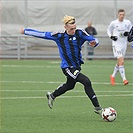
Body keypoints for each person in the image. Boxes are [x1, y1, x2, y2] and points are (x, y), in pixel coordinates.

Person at [21, 15, 102, 115]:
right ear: (65, 27)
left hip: (77, 66)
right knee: (86, 81)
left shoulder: (79, 33)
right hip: (67, 67)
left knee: (70, 85)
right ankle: (98, 107)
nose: (73, 30)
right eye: (71, 29)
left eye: (75, 28)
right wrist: (25, 31)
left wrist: (94, 42)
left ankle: (52, 95)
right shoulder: (59, 35)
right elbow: (42, 34)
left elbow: (93, 39)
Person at [107, 9, 132, 85]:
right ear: (118, 15)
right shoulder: (114, 23)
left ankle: (113, 76)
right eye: (120, 14)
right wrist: (111, 36)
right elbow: (108, 29)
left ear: (124, 15)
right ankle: (124, 79)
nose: (121, 16)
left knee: (119, 62)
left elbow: (131, 31)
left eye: (123, 14)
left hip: (124, 44)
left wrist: (128, 34)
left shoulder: (127, 22)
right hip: (116, 44)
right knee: (121, 61)